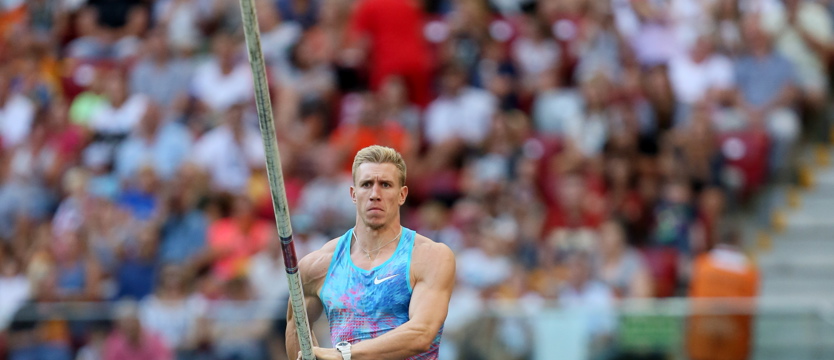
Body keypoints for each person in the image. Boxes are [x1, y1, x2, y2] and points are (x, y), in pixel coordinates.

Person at [286, 145, 456, 360]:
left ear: (402, 194)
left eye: (385, 185)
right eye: (366, 184)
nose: (375, 194)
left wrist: (343, 355)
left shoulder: (428, 256)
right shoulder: (318, 265)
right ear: (353, 194)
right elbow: (296, 328)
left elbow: (422, 334)